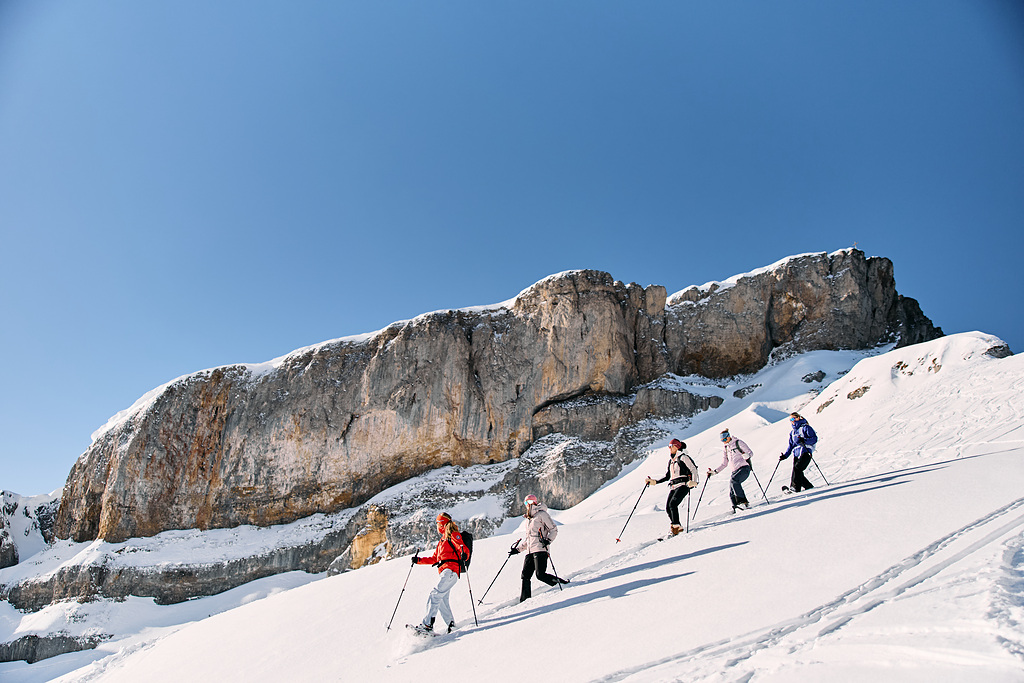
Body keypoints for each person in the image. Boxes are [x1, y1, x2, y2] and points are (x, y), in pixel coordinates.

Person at [410, 512, 470, 634]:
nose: (437, 526)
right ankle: (451, 626)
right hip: (445, 571)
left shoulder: (453, 534)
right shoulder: (442, 540)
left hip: (451, 570)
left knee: (435, 594)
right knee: (442, 600)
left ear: (441, 524)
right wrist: (419, 560)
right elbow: (435, 559)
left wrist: (464, 553)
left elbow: (463, 547)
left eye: (437, 523)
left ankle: (427, 625)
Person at [509, 494, 568, 602]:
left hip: (540, 549)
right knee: (525, 575)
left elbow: (553, 529)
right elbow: (529, 539)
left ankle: (562, 584)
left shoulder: (542, 514)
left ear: (535, 502)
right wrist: (517, 550)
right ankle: (524, 600)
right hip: (530, 551)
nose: (528, 504)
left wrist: (548, 540)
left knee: (540, 575)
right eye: (526, 503)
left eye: (530, 502)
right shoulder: (528, 519)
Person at [645, 438, 700, 535]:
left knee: (673, 504)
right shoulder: (671, 461)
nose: (669, 448)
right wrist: (655, 482)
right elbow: (667, 476)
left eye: (671, 446)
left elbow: (693, 469)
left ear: (677, 446)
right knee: (668, 507)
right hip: (674, 486)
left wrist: (694, 482)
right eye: (669, 446)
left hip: (683, 485)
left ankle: (675, 527)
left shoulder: (683, 457)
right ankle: (677, 526)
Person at [707, 429, 754, 513]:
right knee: (732, 491)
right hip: (734, 471)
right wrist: (715, 472)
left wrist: (747, 455)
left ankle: (743, 502)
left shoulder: (738, 443)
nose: (724, 442)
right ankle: (735, 506)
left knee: (734, 481)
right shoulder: (726, 448)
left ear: (728, 436)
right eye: (722, 440)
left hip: (744, 468)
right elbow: (724, 463)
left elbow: (750, 453)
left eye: (725, 439)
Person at [779, 412, 818, 493]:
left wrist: (804, 440)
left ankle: (795, 488)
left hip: (806, 451)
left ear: (798, 418)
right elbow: (791, 446)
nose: (792, 421)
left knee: (798, 468)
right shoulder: (792, 432)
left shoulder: (806, 428)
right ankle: (808, 486)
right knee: (796, 471)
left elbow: (814, 439)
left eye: (793, 419)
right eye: (790, 420)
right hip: (796, 454)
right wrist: (785, 456)